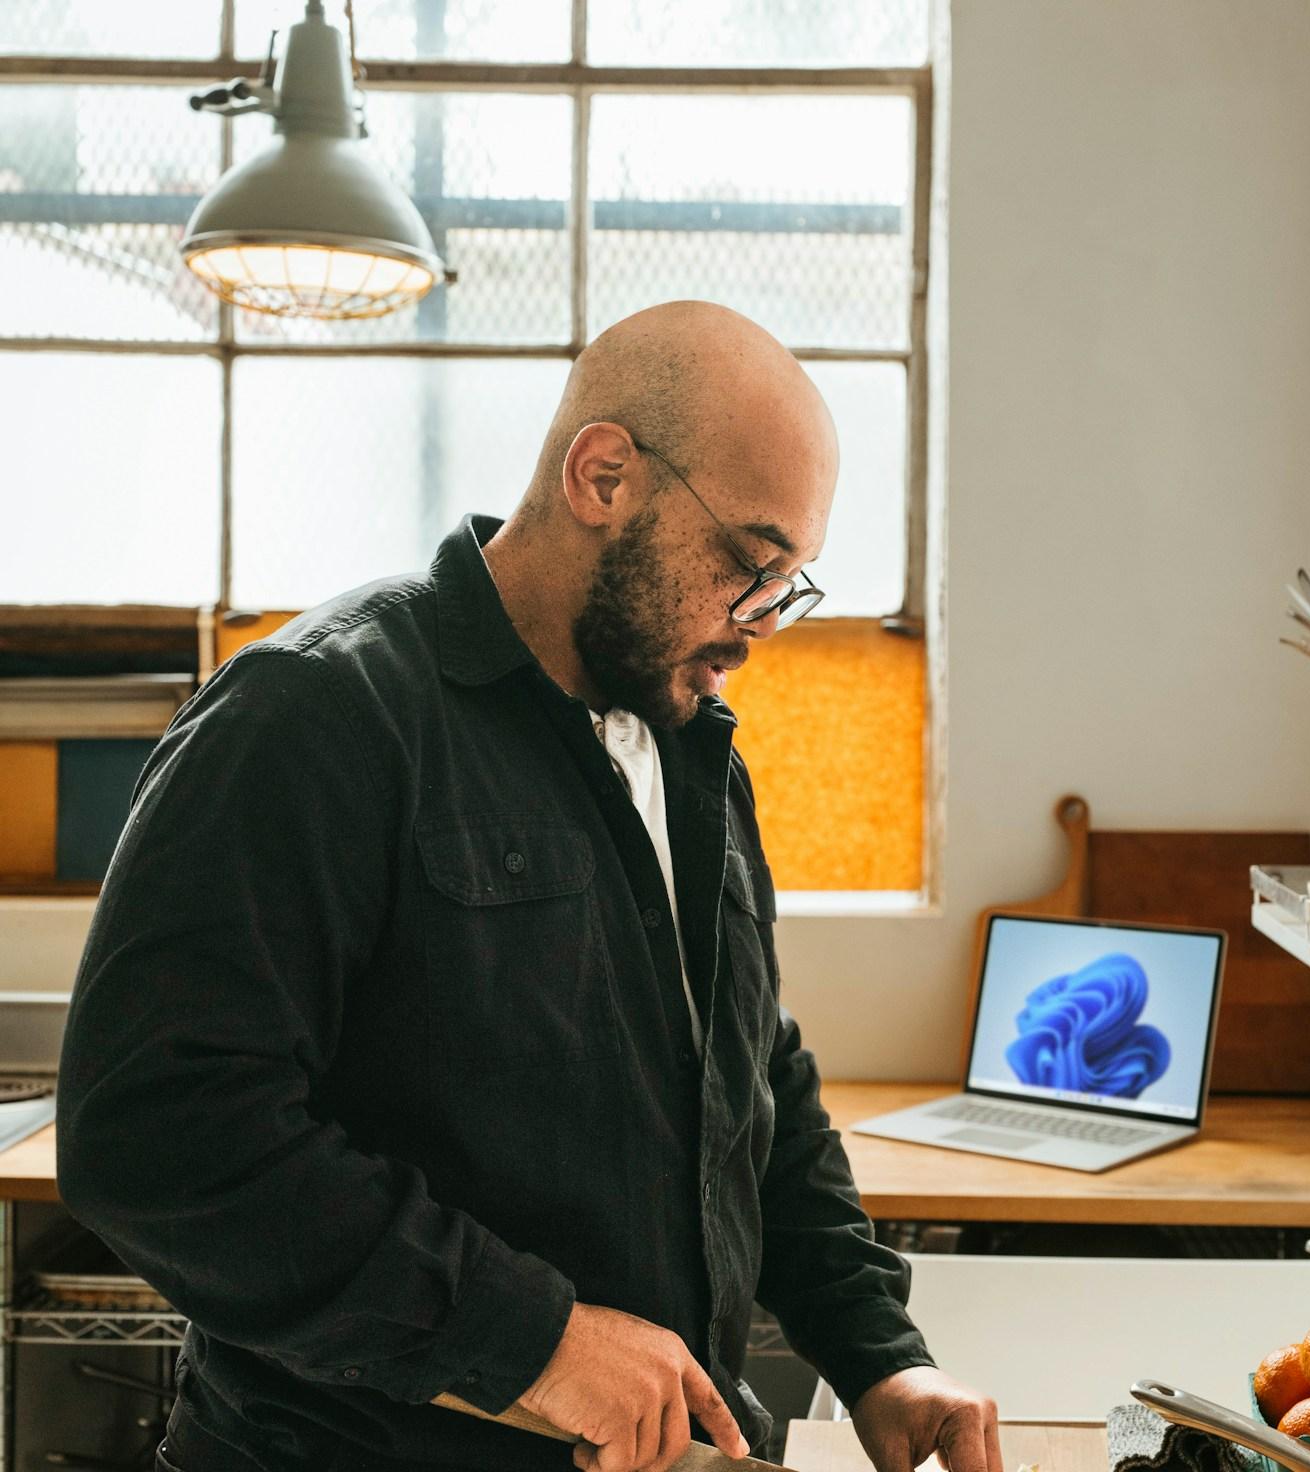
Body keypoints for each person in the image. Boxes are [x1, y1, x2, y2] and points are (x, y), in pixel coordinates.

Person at [57, 300, 1000, 1472]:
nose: (758, 627)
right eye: (747, 564)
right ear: (602, 475)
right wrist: (536, 1340)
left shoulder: (693, 745)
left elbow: (749, 1076)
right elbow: (156, 1136)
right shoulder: (313, 714)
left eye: (786, 584)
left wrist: (877, 1353)